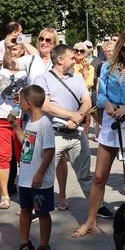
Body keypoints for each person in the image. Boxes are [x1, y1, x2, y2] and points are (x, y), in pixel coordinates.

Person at [72, 30, 125, 238]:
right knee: (100, 175)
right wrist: (108, 104)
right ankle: (91, 220)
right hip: (112, 120)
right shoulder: (109, 68)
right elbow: (100, 96)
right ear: (120, 47)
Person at [34, 44, 99, 214]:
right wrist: (72, 115)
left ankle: (97, 207)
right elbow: (45, 105)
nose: (76, 59)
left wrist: (77, 117)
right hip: (53, 134)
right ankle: (38, 208)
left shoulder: (76, 77)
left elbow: (87, 101)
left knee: (85, 175)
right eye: (72, 57)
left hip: (76, 133)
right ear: (60, 59)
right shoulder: (43, 79)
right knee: (45, 174)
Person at [9, 85, 56, 250]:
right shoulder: (30, 122)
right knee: (25, 210)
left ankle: (44, 245)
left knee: (42, 212)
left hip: (39, 181)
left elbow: (49, 151)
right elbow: (27, 145)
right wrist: (15, 127)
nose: (19, 104)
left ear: (28, 104)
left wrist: (40, 174)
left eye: (21, 101)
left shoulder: (45, 124)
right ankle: (24, 242)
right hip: (26, 179)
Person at [0, 41, 28, 209]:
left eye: (15, 48)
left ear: (23, 51)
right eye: (8, 49)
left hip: (21, 119)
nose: (11, 51)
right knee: (3, 156)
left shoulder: (28, 70)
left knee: (24, 157)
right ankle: (4, 195)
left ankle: (25, 191)